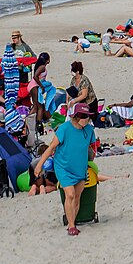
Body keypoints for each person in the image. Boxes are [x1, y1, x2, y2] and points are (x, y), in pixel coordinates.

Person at [33, 101, 96, 236]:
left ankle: (72, 220)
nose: (86, 119)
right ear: (76, 116)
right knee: (70, 194)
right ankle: (71, 225)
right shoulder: (64, 129)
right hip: (63, 167)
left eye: (87, 116)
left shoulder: (89, 130)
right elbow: (51, 148)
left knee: (77, 196)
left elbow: (91, 148)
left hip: (80, 167)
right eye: (83, 116)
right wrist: (39, 165)